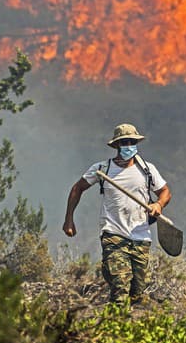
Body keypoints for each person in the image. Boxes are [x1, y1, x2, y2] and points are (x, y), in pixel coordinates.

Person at [63, 123, 172, 305]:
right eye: (124, 142)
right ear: (116, 146)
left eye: (131, 142)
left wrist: (158, 205)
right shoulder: (102, 169)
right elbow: (77, 188)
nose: (128, 145)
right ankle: (114, 321)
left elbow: (165, 192)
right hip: (113, 234)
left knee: (137, 293)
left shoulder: (147, 170)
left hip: (140, 235)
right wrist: (69, 220)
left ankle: (131, 326)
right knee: (120, 285)